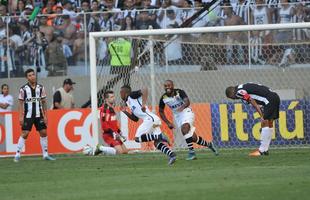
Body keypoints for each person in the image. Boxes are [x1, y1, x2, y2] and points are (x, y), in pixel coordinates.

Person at [159, 80, 218, 160]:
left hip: (186, 111)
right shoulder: (163, 98)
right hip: (178, 117)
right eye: (165, 86)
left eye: (169, 85)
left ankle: (191, 152)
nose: (167, 87)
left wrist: (182, 107)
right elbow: (161, 111)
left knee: (184, 129)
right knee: (192, 137)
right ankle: (209, 144)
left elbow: (187, 102)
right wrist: (168, 122)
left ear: (173, 86)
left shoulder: (179, 92)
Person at [120, 85, 177, 165]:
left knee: (137, 138)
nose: (120, 94)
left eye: (121, 92)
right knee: (157, 143)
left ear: (125, 93)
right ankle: (172, 155)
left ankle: (160, 136)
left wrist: (143, 104)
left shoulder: (132, 95)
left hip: (150, 119)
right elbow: (135, 119)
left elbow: (144, 89)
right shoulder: (128, 102)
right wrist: (125, 111)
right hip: (153, 120)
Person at [225, 83, 280, 156]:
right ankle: (264, 150)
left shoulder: (238, 92)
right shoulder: (242, 86)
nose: (234, 99)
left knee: (264, 122)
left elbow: (251, 100)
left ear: (231, 95)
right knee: (269, 123)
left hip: (269, 100)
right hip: (275, 97)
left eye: (232, 98)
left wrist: (261, 114)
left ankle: (261, 151)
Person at [14, 68, 56, 162]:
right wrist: (20, 116)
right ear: (27, 78)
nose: (32, 76)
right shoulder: (23, 89)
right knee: (25, 133)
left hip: (39, 114)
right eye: (30, 75)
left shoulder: (41, 88)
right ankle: (17, 154)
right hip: (28, 115)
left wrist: (45, 115)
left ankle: (45, 154)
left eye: (33, 74)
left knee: (44, 132)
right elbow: (20, 103)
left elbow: (44, 102)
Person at [93, 90, 129, 156]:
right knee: (120, 153)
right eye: (111, 97)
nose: (114, 98)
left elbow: (113, 124)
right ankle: (100, 148)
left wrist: (119, 132)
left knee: (125, 152)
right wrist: (113, 133)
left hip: (115, 134)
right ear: (106, 99)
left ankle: (103, 151)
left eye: (113, 96)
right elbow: (104, 125)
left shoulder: (112, 108)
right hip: (108, 135)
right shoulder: (104, 109)